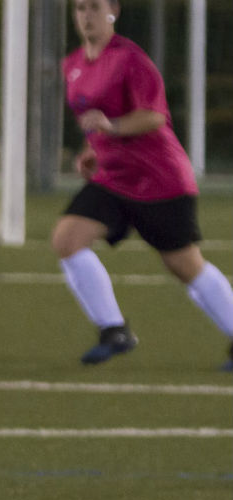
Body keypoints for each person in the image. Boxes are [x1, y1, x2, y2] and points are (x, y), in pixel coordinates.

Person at [54, 0, 233, 369]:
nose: (86, 15)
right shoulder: (72, 65)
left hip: (159, 178)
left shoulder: (131, 60)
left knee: (184, 264)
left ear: (113, 11)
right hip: (114, 178)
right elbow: (98, 121)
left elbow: (153, 116)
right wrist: (92, 149)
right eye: (80, 8)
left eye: (94, 7)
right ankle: (113, 330)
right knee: (67, 240)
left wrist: (111, 127)